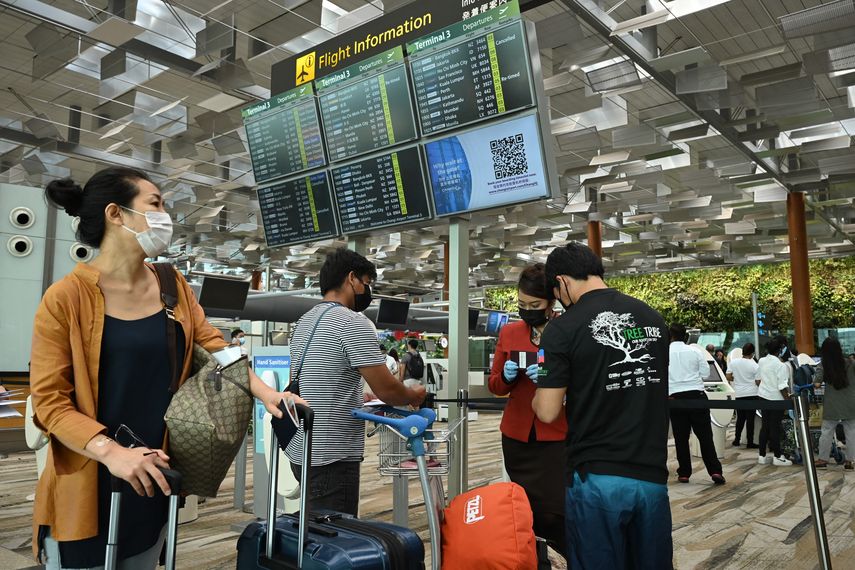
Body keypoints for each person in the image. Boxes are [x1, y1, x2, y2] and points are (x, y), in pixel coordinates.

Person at [29, 168, 301, 569]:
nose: (165, 215)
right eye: (154, 204)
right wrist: (112, 453)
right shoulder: (65, 298)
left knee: (142, 555)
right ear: (115, 214)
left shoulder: (171, 286)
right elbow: (50, 403)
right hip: (91, 475)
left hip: (155, 473)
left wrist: (268, 394)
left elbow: (216, 347)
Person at [533, 242, 672, 569]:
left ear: (563, 282)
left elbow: (548, 410)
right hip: (651, 476)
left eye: (556, 292)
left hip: (596, 478)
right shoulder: (653, 318)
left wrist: (540, 385)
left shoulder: (562, 329)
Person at [285, 248, 426, 515]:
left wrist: (357, 397)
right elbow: (388, 389)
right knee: (335, 538)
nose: (367, 291)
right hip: (332, 454)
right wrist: (413, 395)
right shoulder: (353, 322)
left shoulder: (304, 321)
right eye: (367, 283)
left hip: (301, 447)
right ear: (352, 279)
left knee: (313, 528)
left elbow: (308, 379)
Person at [488, 263, 567, 556]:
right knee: (525, 509)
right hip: (517, 436)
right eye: (522, 304)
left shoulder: (566, 331)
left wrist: (555, 381)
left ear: (551, 302)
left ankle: (563, 556)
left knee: (554, 511)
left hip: (556, 436)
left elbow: (583, 380)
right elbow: (495, 384)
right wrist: (506, 378)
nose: (527, 309)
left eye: (535, 304)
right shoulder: (510, 333)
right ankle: (533, 558)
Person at [667, 324, 725, 485]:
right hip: (697, 395)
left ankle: (684, 473)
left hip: (675, 398)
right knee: (705, 437)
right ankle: (715, 471)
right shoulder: (695, 351)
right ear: (684, 336)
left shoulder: (664, 353)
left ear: (670, 336)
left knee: (681, 438)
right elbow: (706, 373)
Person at [814, 338, 855, 470]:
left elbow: (817, 383)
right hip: (850, 402)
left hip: (832, 403)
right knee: (851, 432)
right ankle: (851, 461)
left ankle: (822, 459)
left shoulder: (823, 364)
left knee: (826, 431)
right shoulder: (851, 362)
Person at [756, 337, 793, 466]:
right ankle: (777, 456)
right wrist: (788, 402)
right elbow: (782, 386)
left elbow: (757, 380)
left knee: (765, 426)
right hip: (776, 399)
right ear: (780, 350)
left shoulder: (761, 361)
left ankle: (762, 455)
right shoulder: (781, 365)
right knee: (775, 427)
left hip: (762, 396)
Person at [727, 343, 760, 448]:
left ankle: (737, 439)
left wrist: (736, 380)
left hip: (739, 393)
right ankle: (750, 442)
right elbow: (758, 381)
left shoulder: (734, 362)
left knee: (740, 418)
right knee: (750, 419)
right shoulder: (754, 365)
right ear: (752, 353)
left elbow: (728, 376)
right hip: (752, 393)